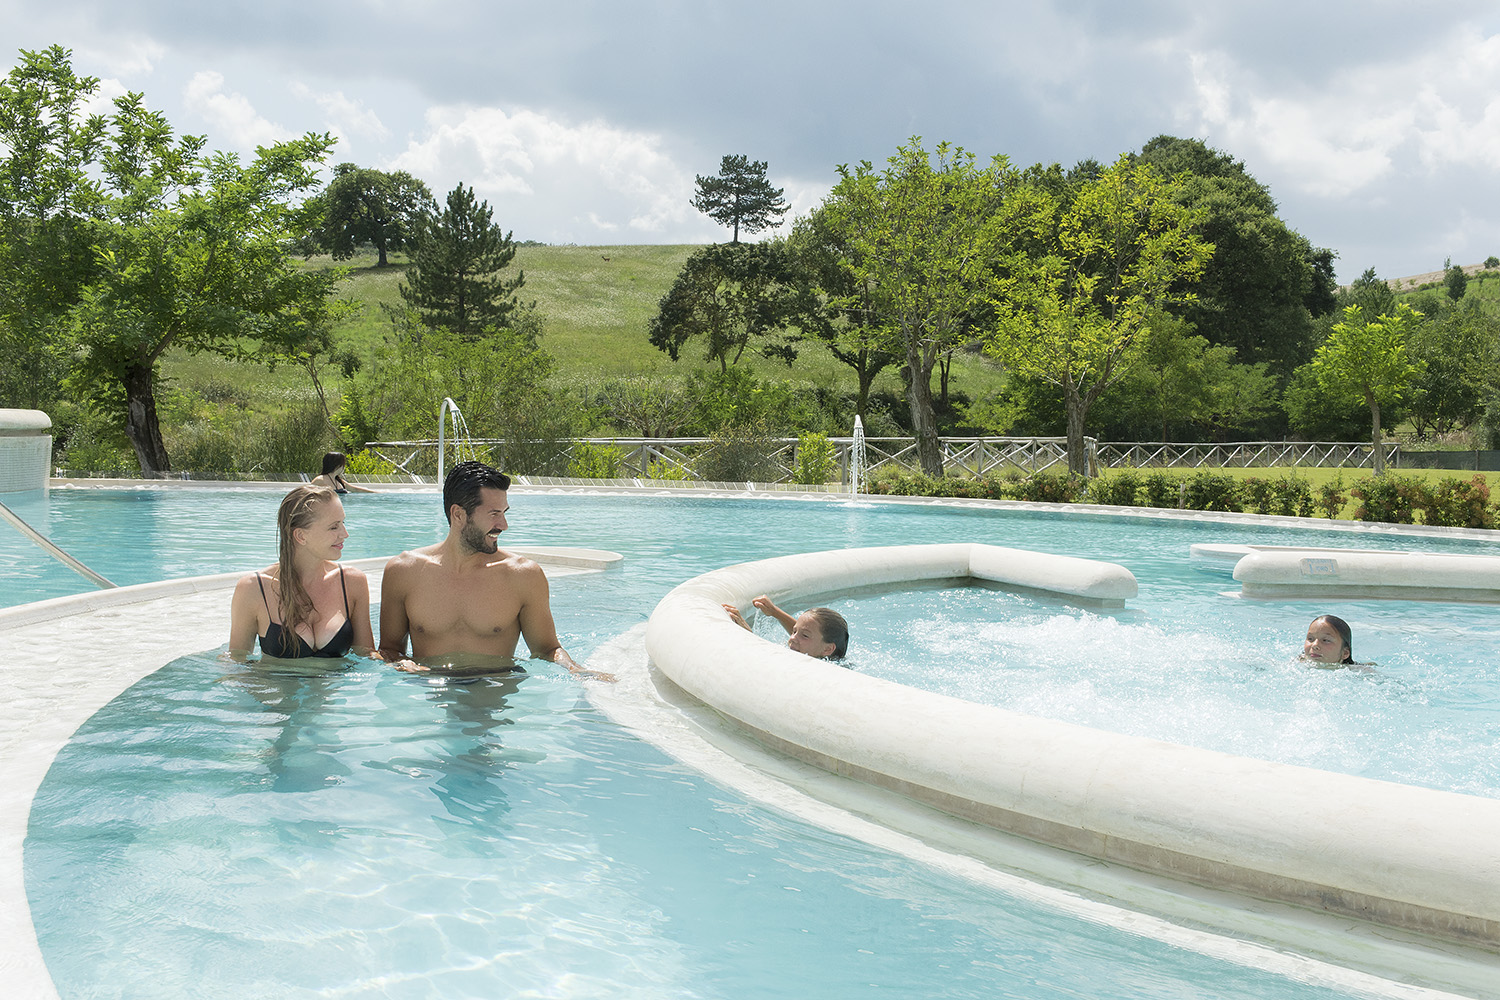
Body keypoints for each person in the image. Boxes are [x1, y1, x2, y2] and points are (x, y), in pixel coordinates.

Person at [379, 460, 612, 680]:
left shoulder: (522, 575)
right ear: (458, 514)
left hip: (494, 688)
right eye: (494, 514)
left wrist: (575, 669)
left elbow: (546, 649)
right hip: (429, 690)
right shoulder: (403, 572)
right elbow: (389, 649)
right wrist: (401, 664)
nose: (503, 525)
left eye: (504, 513)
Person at [229, 484, 376, 660]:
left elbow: (366, 656)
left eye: (343, 523)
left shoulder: (352, 582)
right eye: (334, 527)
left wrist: (402, 668)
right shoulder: (254, 589)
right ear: (301, 536)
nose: (345, 534)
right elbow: (236, 662)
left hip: (336, 687)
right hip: (275, 686)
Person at [724, 595, 849, 661]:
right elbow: (809, 632)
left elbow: (761, 657)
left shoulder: (820, 669)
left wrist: (746, 631)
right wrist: (774, 612)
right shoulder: (818, 650)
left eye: (804, 635)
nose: (792, 638)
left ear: (828, 649)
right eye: (794, 631)